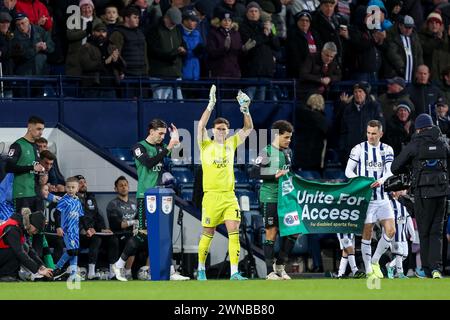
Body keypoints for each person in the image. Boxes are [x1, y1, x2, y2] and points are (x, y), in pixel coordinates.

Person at [112, 118, 188, 281]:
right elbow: (148, 163)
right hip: (145, 197)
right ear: (151, 131)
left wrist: (176, 140)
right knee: (143, 235)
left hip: (161, 197)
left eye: (164, 134)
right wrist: (169, 146)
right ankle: (118, 265)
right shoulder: (138, 147)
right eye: (160, 133)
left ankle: (170, 270)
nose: (162, 136)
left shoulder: (161, 147)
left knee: (165, 235)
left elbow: (178, 157)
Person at [196, 85, 254, 281]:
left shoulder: (231, 143)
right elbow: (200, 126)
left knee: (234, 231)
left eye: (225, 129)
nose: (222, 131)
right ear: (214, 130)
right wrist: (210, 105)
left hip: (229, 195)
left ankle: (235, 272)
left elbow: (248, 128)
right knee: (208, 232)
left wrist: (246, 110)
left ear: (228, 131)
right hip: (211, 196)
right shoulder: (205, 144)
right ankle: (201, 269)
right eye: (219, 128)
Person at [391, 113, 450, 278]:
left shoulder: (415, 144)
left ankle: (426, 268)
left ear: (418, 128)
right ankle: (437, 268)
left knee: (424, 231)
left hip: (423, 193)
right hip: (442, 193)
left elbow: (395, 167)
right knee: (437, 231)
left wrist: (410, 170)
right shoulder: (443, 142)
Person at [345, 120, 396, 279]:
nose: (370, 136)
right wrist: (361, 181)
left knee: (391, 231)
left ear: (381, 133)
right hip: (366, 200)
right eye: (368, 133)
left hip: (382, 198)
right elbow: (348, 171)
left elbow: (389, 171)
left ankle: (375, 261)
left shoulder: (387, 149)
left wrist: (380, 181)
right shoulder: (358, 149)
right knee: (367, 233)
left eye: (374, 133)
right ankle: (368, 270)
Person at [253, 120, 297, 280]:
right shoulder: (266, 152)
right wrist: (274, 175)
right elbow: (253, 172)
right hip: (270, 197)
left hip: (286, 198)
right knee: (271, 232)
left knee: (295, 231)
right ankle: (269, 272)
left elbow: (288, 173)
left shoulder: (288, 152)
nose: (289, 140)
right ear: (277, 135)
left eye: (290, 138)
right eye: (286, 137)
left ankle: (280, 265)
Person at [76, 175, 117, 280]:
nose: (83, 184)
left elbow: (97, 215)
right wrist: (85, 229)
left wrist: (102, 229)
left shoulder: (91, 197)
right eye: (80, 182)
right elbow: (80, 217)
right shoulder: (72, 199)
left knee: (113, 239)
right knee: (96, 239)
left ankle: (113, 272)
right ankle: (91, 272)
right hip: (79, 234)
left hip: (94, 231)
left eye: (84, 182)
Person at [5, 115, 45, 214]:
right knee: (22, 226)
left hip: (36, 193)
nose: (41, 132)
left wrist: (41, 175)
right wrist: (32, 167)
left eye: (42, 129)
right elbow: (8, 167)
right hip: (22, 193)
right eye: (38, 129)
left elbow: (34, 168)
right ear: (30, 127)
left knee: (38, 226)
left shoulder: (36, 146)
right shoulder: (17, 145)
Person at [0, 210, 53, 282]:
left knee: (25, 247)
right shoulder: (12, 228)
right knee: (18, 251)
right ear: (31, 224)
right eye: (36, 230)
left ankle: (11, 275)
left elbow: (30, 251)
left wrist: (41, 266)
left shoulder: (19, 226)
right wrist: (37, 270)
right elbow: (20, 253)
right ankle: (6, 275)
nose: (35, 233)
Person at [79, 22, 125, 98]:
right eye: (98, 31)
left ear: (106, 33)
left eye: (103, 32)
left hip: (110, 87)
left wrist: (117, 62)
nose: (101, 34)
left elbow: (123, 65)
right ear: (93, 32)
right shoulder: (86, 47)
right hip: (92, 87)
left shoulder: (112, 46)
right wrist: (105, 62)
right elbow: (86, 65)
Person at [106, 176, 138, 280]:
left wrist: (135, 225)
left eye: (125, 185)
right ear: (116, 189)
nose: (124, 187)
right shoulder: (113, 204)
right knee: (131, 240)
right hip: (118, 234)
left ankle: (142, 271)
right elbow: (117, 225)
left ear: (128, 187)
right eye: (121, 185)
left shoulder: (134, 204)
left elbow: (139, 221)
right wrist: (132, 222)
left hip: (132, 233)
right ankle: (121, 272)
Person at [52, 177, 84, 281]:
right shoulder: (64, 200)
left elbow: (81, 217)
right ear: (65, 188)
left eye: (73, 187)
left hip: (75, 231)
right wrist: (58, 227)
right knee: (72, 251)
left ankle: (73, 274)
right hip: (67, 230)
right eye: (68, 187)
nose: (70, 189)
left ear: (77, 189)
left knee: (75, 251)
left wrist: (87, 228)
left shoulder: (78, 202)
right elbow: (57, 213)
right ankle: (57, 268)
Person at [385, 190, 415, 279]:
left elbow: (409, 220)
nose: (401, 192)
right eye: (399, 191)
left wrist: (412, 234)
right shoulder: (389, 204)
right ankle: (400, 273)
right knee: (399, 254)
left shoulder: (403, 207)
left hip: (403, 235)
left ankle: (390, 265)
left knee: (405, 255)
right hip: (395, 234)